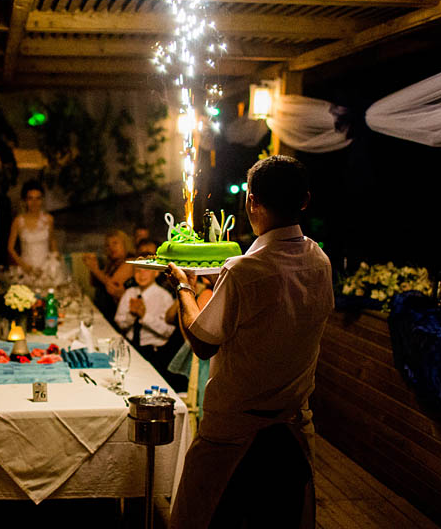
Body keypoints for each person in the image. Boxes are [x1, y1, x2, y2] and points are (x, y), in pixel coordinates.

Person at [166, 155, 334, 529]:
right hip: (291, 431)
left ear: (251, 202)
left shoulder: (244, 270)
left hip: (233, 437)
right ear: (304, 201)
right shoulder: (320, 262)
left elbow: (203, 343)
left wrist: (183, 288)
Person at [114, 263, 178, 386]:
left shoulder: (164, 297)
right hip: (131, 346)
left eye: (146, 271)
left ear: (156, 272)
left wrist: (144, 316)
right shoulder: (130, 293)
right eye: (138, 271)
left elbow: (168, 331)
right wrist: (132, 316)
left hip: (154, 352)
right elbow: (119, 321)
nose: (141, 274)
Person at [84, 229, 134, 327]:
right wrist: (92, 266)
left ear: (125, 244)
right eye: (108, 245)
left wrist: (95, 269)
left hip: (115, 316)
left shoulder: (130, 262)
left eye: (115, 243)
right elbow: (93, 283)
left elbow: (112, 287)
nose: (111, 248)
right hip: (102, 311)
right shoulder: (112, 263)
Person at [7, 180, 57, 274]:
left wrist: (55, 260)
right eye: (30, 198)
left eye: (38, 198)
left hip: (46, 268)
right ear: (25, 200)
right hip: (26, 267)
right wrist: (23, 265)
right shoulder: (18, 221)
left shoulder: (49, 219)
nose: (34, 202)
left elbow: (52, 241)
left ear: (42, 200)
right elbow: (10, 248)